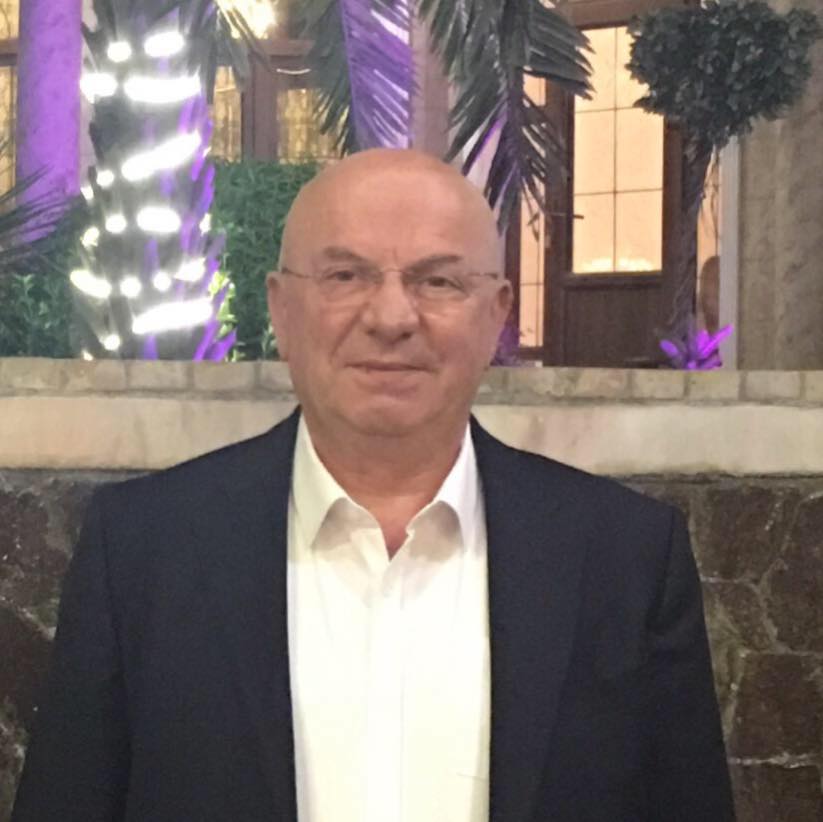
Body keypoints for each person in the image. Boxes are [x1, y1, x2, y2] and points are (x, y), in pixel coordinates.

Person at [12, 149, 735, 821]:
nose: (391, 317)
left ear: (497, 315)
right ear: (281, 309)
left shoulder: (625, 559)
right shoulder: (140, 550)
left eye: (438, 280)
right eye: (345, 276)